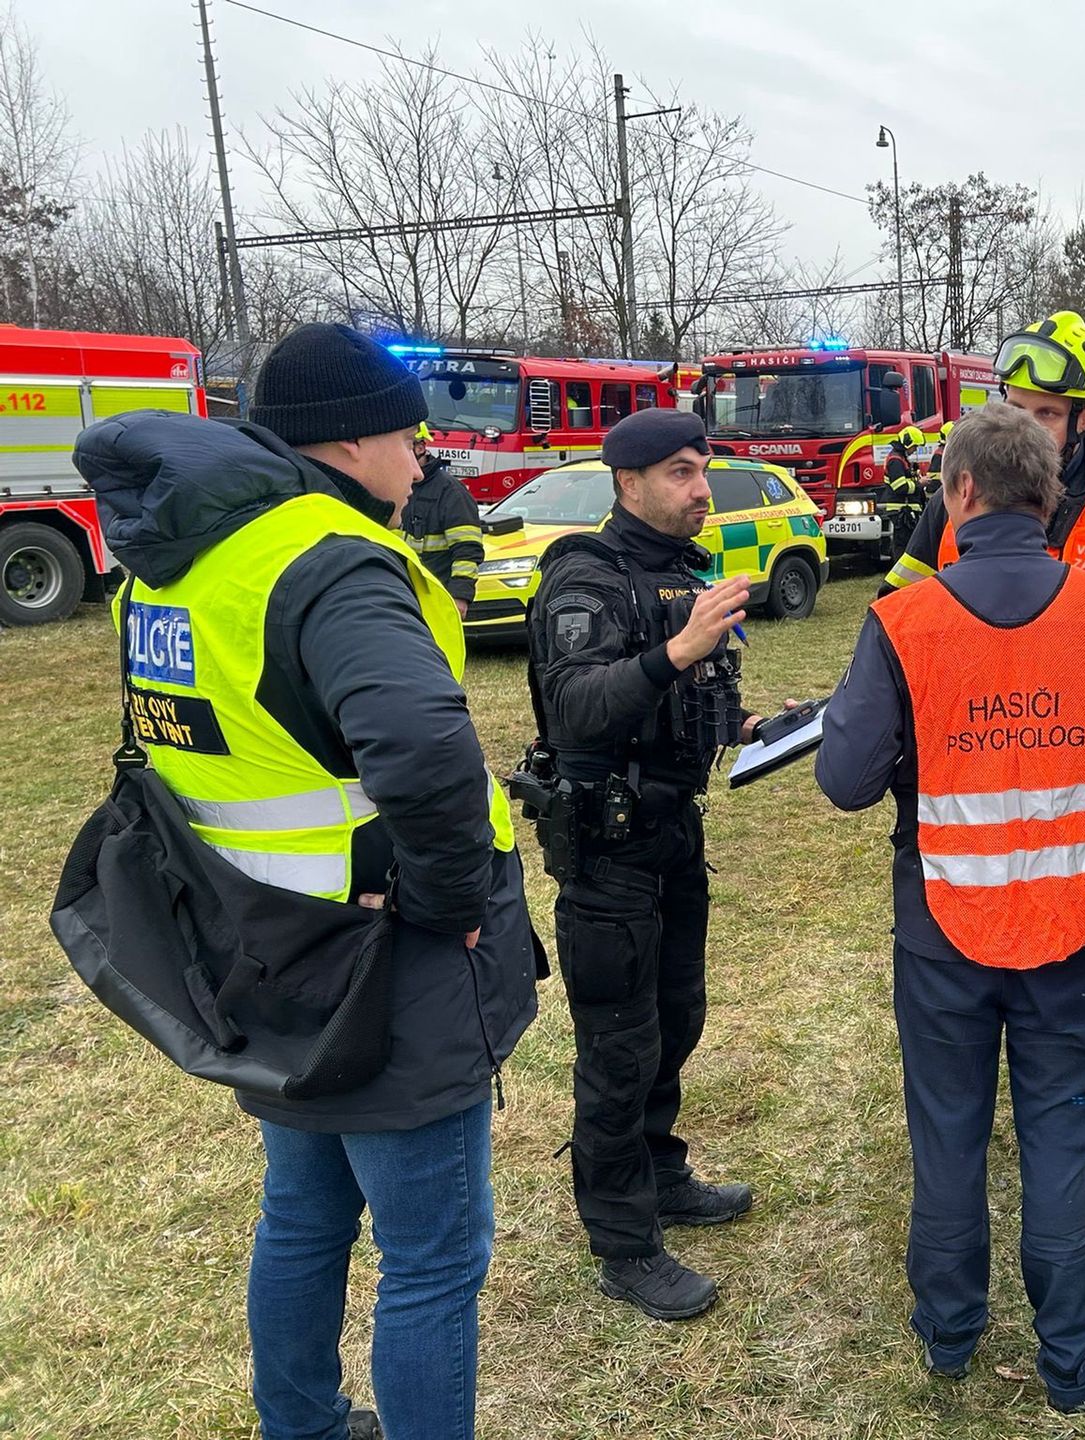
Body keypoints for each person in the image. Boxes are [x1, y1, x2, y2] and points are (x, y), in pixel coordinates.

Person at [79, 322, 539, 1440]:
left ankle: (304, 1424)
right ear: (349, 441)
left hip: (256, 947)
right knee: (432, 1259)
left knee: (302, 1212)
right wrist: (448, 906)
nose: (423, 457)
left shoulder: (175, 565)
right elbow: (425, 761)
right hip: (382, 958)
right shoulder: (330, 560)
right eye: (407, 433)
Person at [816, 404, 1085, 1413]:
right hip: (1073, 927)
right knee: (1063, 1137)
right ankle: (1078, 1355)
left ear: (960, 493)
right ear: (1051, 492)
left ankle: (949, 1332)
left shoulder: (904, 619)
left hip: (940, 923)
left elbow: (844, 779)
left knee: (948, 1132)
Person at [528, 408, 776, 1321]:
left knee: (676, 1017)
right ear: (626, 481)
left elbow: (692, 704)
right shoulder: (583, 578)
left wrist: (755, 728)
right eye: (680, 472)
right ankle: (623, 1239)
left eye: (703, 469)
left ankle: (661, 1173)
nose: (702, 488)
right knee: (619, 1044)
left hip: (674, 834)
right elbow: (578, 706)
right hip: (608, 848)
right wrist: (678, 651)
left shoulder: (682, 575)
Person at [884, 311, 1085, 794]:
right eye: (1015, 411)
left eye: (1046, 415)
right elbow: (891, 626)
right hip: (966, 763)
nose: (1023, 433)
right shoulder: (954, 500)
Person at [401, 422, 484, 617]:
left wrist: (459, 596)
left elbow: (467, 550)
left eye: (404, 446)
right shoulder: (396, 484)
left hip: (437, 595)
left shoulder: (450, 492)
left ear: (420, 447)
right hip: (402, 593)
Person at [883, 426, 927, 560]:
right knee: (903, 547)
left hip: (906, 511)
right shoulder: (895, 461)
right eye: (914, 446)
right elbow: (900, 486)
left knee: (908, 546)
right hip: (902, 512)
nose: (915, 450)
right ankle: (901, 577)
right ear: (907, 443)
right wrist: (920, 484)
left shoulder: (901, 459)